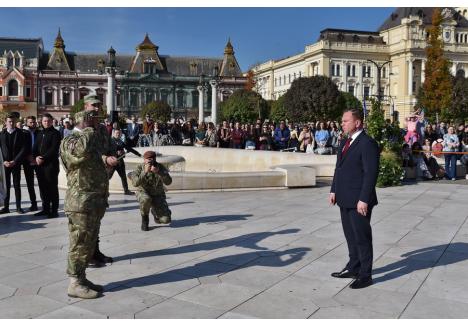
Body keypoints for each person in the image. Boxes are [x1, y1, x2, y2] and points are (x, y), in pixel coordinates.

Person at [60, 110, 110, 299]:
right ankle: (74, 282)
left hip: (94, 200)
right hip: (79, 202)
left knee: (89, 242)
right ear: (84, 121)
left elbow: (96, 164)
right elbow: (78, 153)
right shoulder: (70, 140)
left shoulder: (91, 140)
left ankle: (81, 278)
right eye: (94, 120)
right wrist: (89, 129)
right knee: (79, 242)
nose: (97, 124)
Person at [329, 108, 380, 289]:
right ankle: (353, 266)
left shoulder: (367, 143)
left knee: (362, 238)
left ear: (357, 123)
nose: (342, 124)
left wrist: (364, 199)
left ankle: (365, 275)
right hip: (344, 196)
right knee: (350, 236)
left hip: (359, 199)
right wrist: (333, 190)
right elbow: (339, 168)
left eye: (345, 121)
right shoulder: (345, 141)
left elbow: (370, 173)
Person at [83, 93, 118, 267]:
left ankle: (95, 251)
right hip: (87, 182)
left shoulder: (103, 128)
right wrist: (105, 158)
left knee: (97, 217)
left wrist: (114, 154)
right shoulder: (81, 129)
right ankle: (86, 256)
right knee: (87, 220)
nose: (97, 108)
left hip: (101, 180)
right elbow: (86, 153)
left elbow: (110, 146)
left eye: (99, 105)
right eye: (93, 105)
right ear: (85, 107)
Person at [131, 150, 172, 231]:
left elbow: (169, 182)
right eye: (147, 159)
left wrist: (159, 172)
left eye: (151, 159)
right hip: (143, 192)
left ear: (155, 159)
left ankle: (155, 212)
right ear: (144, 160)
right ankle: (145, 218)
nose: (149, 161)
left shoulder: (160, 167)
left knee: (166, 220)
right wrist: (144, 172)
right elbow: (135, 183)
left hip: (157, 195)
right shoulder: (139, 168)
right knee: (146, 199)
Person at [33, 114, 62, 218]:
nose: (46, 123)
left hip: (51, 165)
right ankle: (45, 209)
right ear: (42, 122)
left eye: (48, 121)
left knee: (52, 188)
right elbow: (35, 147)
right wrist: (36, 157)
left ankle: (54, 210)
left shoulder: (56, 133)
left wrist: (42, 158)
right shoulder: (40, 133)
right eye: (44, 121)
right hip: (40, 166)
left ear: (52, 121)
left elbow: (54, 149)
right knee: (42, 188)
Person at [0, 114, 27, 214]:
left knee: (17, 185)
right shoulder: (1, 134)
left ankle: (18, 207)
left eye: (13, 122)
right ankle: (6, 207)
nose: (11, 123)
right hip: (5, 164)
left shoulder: (20, 133)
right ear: (5, 123)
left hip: (15, 163)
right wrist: (3, 161)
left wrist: (15, 161)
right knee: (6, 186)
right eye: (9, 121)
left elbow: (23, 148)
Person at [109, 128, 141, 195]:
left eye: (119, 133)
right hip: (112, 162)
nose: (118, 134)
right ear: (113, 133)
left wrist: (138, 154)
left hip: (120, 162)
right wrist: (115, 153)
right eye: (117, 133)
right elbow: (107, 151)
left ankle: (126, 191)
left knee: (123, 176)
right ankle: (102, 190)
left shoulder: (120, 141)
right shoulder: (110, 141)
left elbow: (129, 148)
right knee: (108, 176)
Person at [22, 116, 39, 211]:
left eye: (33, 122)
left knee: (42, 183)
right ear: (27, 123)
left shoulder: (39, 132)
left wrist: (36, 157)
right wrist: (28, 156)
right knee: (30, 184)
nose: (32, 124)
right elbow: (21, 146)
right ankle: (34, 204)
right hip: (27, 161)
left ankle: (45, 203)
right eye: (30, 122)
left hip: (38, 161)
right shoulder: (23, 133)